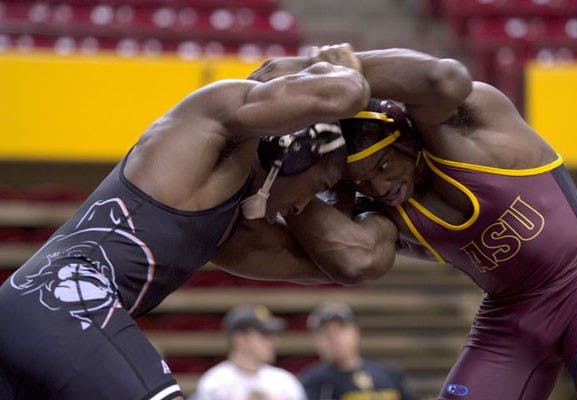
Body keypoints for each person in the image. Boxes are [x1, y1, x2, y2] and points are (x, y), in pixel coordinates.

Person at [0, 47, 401, 400]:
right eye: (320, 188)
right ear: (295, 151)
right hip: (64, 299)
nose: (303, 209)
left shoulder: (232, 234)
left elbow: (353, 262)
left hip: (31, 314)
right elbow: (345, 91)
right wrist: (341, 66)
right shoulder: (209, 126)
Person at [252, 45, 577, 399]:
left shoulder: (466, 126)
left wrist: (322, 68)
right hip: (511, 316)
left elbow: (444, 78)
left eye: (383, 167)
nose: (381, 187)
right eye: (362, 182)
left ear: (404, 137)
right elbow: (358, 260)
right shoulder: (380, 209)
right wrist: (284, 185)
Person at [300, 302, 416, 400]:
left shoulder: (389, 373)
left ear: (356, 331)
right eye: (326, 333)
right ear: (316, 340)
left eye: (341, 329)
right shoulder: (314, 382)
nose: (335, 338)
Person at [191, 304, 306, 400]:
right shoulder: (215, 384)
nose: (273, 342)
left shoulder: (284, 381)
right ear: (240, 339)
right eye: (265, 335)